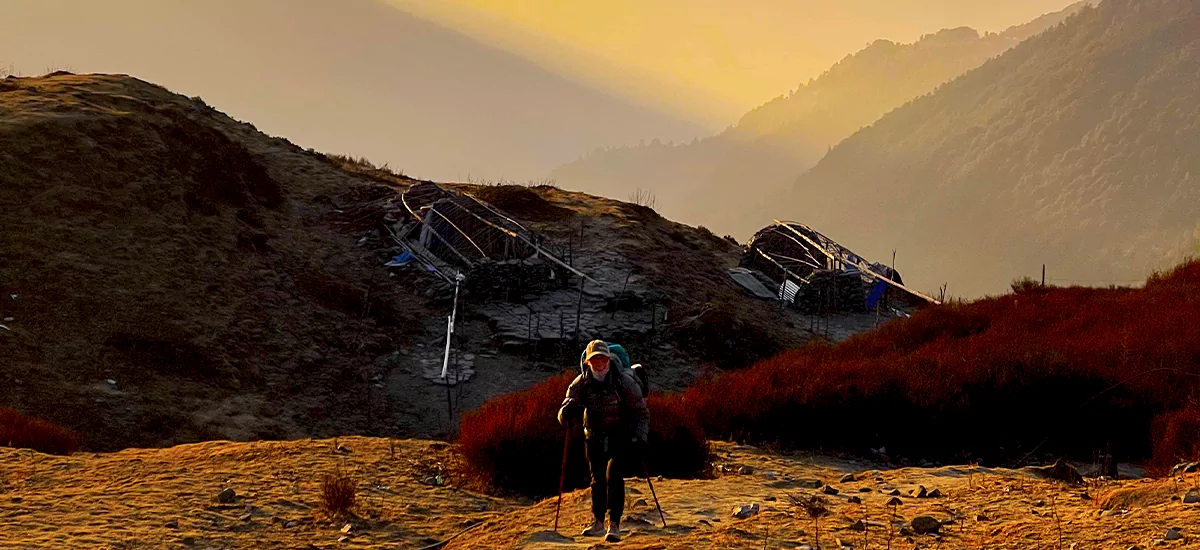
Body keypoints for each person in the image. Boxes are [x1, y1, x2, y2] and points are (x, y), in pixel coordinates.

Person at [558, 340, 650, 543]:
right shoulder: (581, 383)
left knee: (614, 475)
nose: (600, 365)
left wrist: (640, 438)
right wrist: (566, 412)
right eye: (595, 361)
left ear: (608, 360)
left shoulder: (624, 381)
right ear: (588, 363)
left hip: (620, 434)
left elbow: (641, 412)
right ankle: (598, 522)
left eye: (603, 360)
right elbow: (564, 408)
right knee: (597, 479)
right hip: (593, 435)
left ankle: (614, 525)